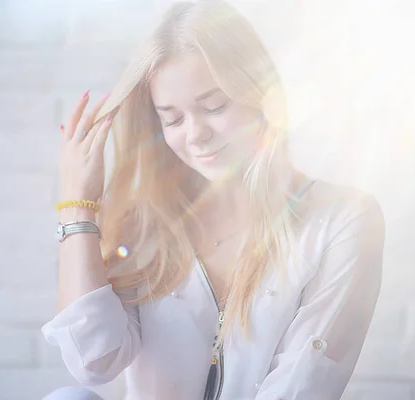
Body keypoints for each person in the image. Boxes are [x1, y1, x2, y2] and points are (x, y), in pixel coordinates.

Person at [41, 0, 386, 399]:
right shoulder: (146, 223)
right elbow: (93, 360)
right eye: (172, 119)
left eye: (214, 107)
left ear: (260, 95)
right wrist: (78, 205)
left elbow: (303, 385)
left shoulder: (342, 219)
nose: (195, 134)